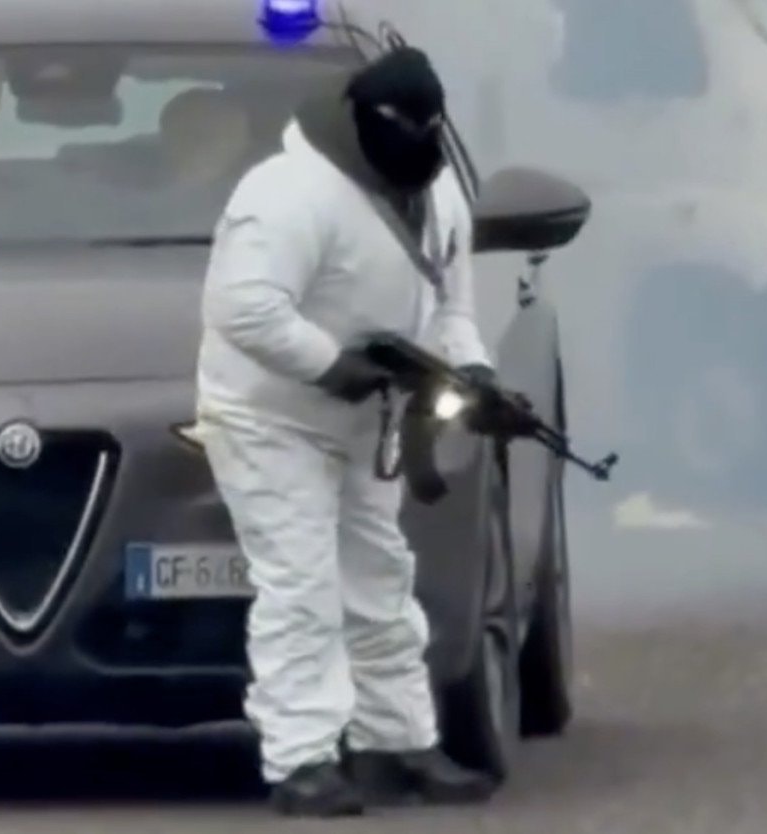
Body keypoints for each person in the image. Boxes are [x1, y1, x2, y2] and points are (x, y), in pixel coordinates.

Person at [193, 47, 509, 816]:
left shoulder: (439, 196)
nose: (421, 144)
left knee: (380, 576)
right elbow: (243, 308)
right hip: (269, 418)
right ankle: (300, 760)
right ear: (365, 122)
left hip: (367, 418)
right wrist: (333, 366)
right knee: (301, 587)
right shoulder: (289, 192)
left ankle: (396, 742)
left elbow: (451, 308)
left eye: (433, 128)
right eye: (407, 128)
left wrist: (474, 372)